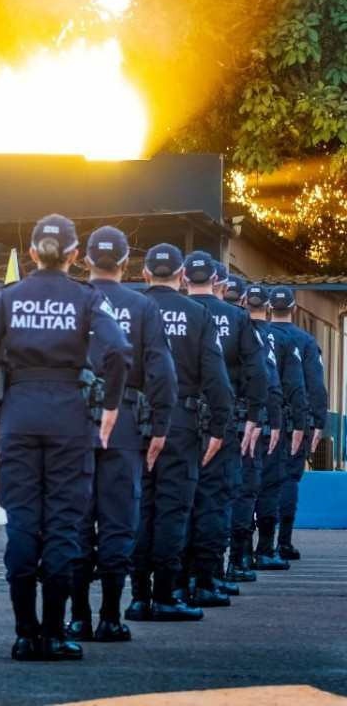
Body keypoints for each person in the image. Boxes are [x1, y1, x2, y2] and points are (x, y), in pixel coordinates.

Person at [0, 214, 130, 662]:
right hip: (69, 419)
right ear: (75, 255)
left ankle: (24, 633)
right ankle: (55, 633)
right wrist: (110, 407)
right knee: (62, 525)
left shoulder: (5, 299)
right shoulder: (88, 299)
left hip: (18, 414)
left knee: (21, 521)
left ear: (34, 253)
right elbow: (116, 350)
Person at [68, 227, 176, 644]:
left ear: (86, 260)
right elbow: (161, 371)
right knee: (119, 520)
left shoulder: (70, 302)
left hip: (73, 424)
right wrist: (161, 427)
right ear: (128, 262)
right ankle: (111, 617)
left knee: (75, 519)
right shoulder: (143, 306)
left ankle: (77, 618)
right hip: (127, 424)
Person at [125, 244, 232, 624]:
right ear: (182, 276)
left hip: (133, 422)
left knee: (140, 507)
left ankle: (137, 596)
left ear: (145, 274)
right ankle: (167, 593)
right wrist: (220, 426)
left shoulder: (130, 309)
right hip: (181, 424)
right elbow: (216, 378)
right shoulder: (198, 313)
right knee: (174, 509)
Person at [180, 252, 265, 607]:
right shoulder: (237, 318)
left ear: (185, 277)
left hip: (175, 420)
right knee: (215, 501)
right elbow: (256, 370)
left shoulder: (173, 313)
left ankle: (174, 582)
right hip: (222, 419)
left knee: (175, 502)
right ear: (219, 283)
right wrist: (254, 418)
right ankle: (207, 578)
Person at [244, 285, 304, 570]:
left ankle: (237, 557)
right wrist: (297, 423)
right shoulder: (277, 338)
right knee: (270, 486)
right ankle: (268, 548)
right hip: (266, 423)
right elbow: (289, 385)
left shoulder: (230, 328)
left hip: (225, 423)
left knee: (235, 489)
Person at [267, 285, 327, 561]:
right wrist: (317, 422)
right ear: (293, 308)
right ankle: (284, 542)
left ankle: (257, 547)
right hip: (293, 421)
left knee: (259, 482)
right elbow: (314, 384)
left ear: (270, 307)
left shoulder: (259, 335)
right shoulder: (305, 341)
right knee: (289, 479)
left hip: (262, 420)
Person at [228, 284, 282, 582]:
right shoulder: (255, 332)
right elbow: (266, 378)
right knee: (247, 489)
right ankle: (241, 558)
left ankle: (194, 576)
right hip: (242, 421)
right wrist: (267, 419)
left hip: (188, 421)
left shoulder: (203, 316)